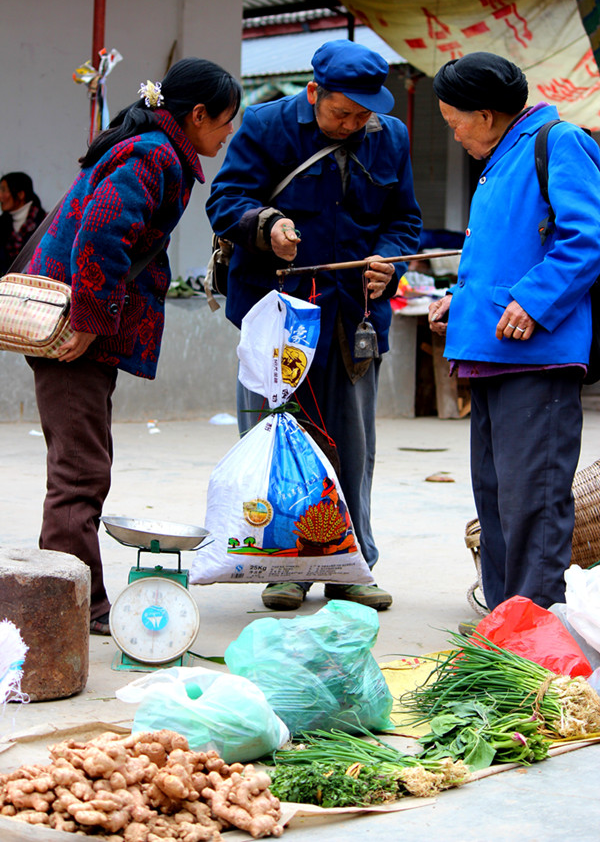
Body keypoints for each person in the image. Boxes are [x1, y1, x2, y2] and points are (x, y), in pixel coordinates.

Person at [25, 58, 242, 635]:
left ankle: (71, 594)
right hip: (77, 335)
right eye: (226, 121)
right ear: (197, 115)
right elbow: (102, 233)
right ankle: (73, 605)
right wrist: (91, 320)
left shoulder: (151, 147)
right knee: (79, 474)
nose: (228, 134)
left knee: (80, 467)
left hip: (81, 328)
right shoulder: (155, 155)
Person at [206, 39, 422, 612]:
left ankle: (352, 566)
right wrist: (267, 224)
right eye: (340, 113)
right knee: (279, 437)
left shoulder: (390, 137)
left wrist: (390, 261)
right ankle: (286, 564)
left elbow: (404, 220)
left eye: (361, 114)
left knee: (352, 443)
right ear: (312, 93)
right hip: (277, 315)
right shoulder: (265, 125)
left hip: (354, 314)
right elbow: (225, 199)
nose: (351, 124)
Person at [428, 51, 600, 615]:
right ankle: (506, 622)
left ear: (485, 113)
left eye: (454, 121)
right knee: (497, 500)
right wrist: (461, 304)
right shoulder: (502, 158)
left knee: (535, 501)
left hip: (538, 356)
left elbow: (586, 238)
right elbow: (506, 257)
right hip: (490, 354)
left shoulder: (559, 142)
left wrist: (534, 299)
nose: (453, 134)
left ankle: (537, 624)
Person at [0, 172, 46, 274]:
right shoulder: (2, 224)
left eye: (4, 190)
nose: (0, 196)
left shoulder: (43, 225)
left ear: (21, 194)